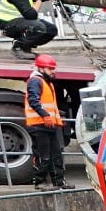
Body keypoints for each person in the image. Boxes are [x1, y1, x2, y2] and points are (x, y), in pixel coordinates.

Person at [24, 53, 69, 190]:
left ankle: (58, 182)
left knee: (56, 155)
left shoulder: (45, 82)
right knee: (43, 155)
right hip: (38, 125)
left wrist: (56, 118)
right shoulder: (35, 81)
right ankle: (40, 182)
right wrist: (45, 115)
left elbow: (47, 104)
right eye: (50, 69)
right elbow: (33, 101)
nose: (53, 72)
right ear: (41, 68)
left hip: (48, 124)